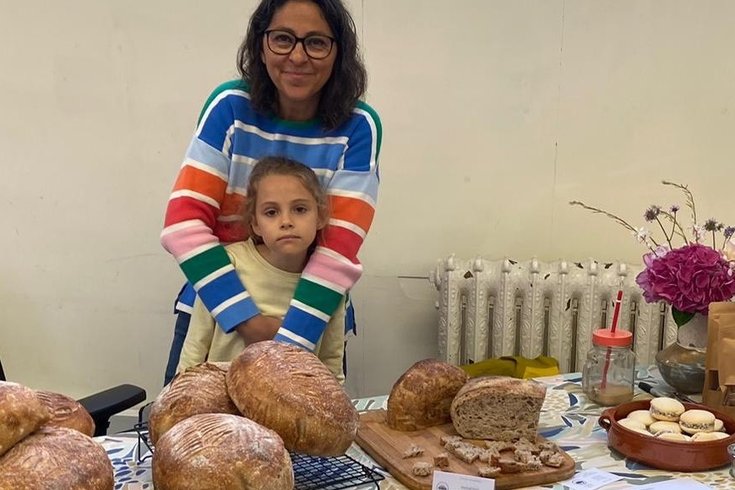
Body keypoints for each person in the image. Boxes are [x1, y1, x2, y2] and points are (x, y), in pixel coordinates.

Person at [160, 0, 381, 385]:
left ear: (338, 53)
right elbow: (183, 226)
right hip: (217, 313)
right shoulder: (229, 108)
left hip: (311, 316)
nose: (297, 55)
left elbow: (338, 250)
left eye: (316, 42)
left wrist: (286, 345)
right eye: (282, 39)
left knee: (304, 439)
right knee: (190, 433)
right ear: (261, 45)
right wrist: (249, 322)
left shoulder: (358, 127)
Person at [177, 157, 346, 382]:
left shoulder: (330, 282)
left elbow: (331, 366)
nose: (286, 221)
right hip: (221, 406)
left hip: (289, 406)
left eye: (300, 209)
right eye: (271, 212)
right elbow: (195, 346)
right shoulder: (227, 264)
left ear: (321, 216)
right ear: (255, 223)